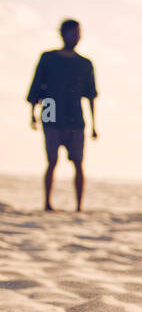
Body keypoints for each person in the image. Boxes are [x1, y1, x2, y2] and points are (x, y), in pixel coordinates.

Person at [26, 19, 98, 212]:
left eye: (77, 34)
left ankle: (78, 206)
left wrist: (94, 126)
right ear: (62, 34)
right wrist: (32, 114)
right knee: (51, 160)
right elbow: (36, 86)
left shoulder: (85, 63)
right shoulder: (48, 58)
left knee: (78, 162)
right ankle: (47, 203)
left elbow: (91, 95)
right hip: (49, 109)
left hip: (75, 115)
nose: (74, 37)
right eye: (71, 33)